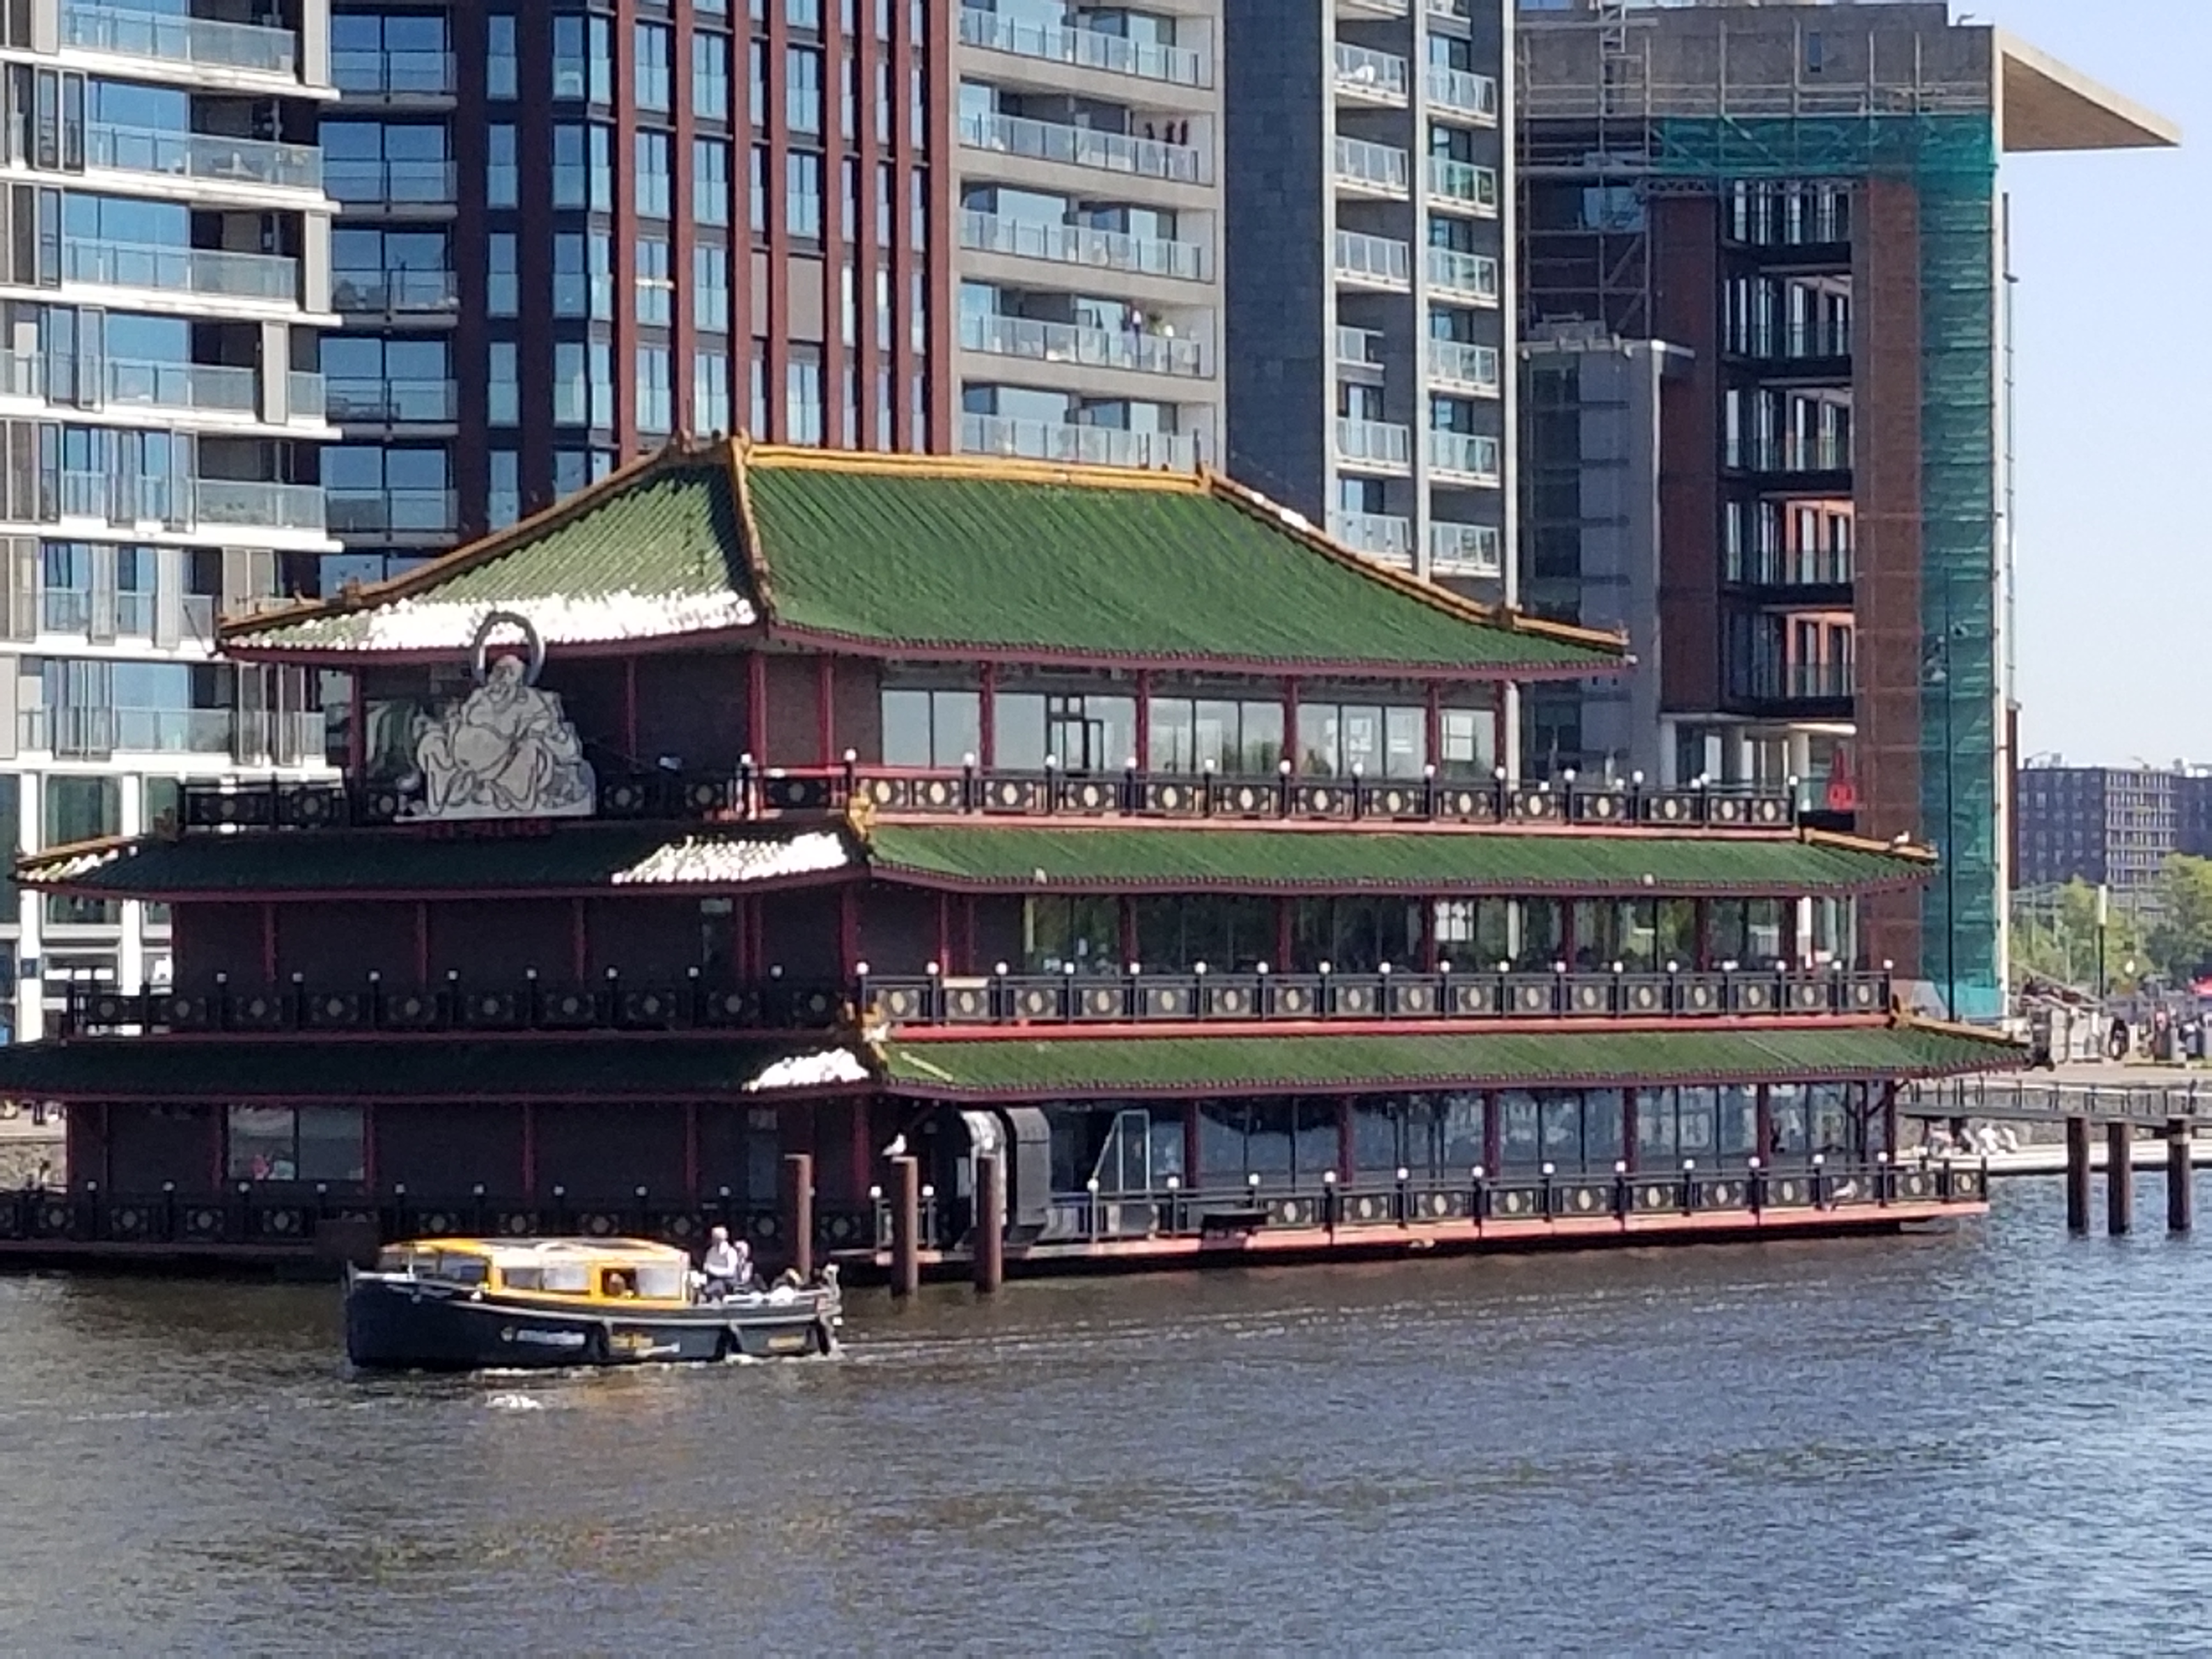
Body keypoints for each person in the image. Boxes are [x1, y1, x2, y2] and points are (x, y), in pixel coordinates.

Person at [701, 1226, 746, 1297]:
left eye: (717, 1238)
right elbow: (706, 1266)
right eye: (714, 1237)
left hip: (729, 1282)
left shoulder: (731, 1252)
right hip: (713, 1280)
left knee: (718, 1287)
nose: (714, 1240)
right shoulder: (710, 1252)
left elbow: (731, 1272)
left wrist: (713, 1270)